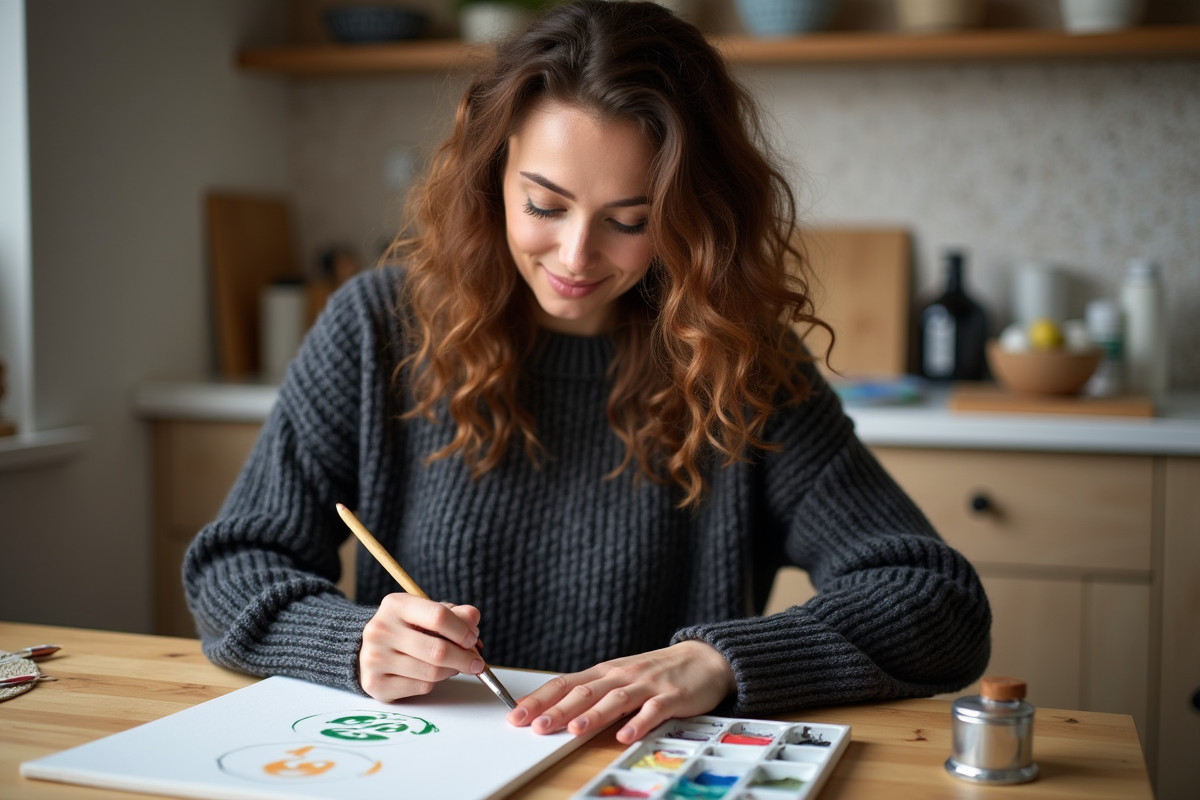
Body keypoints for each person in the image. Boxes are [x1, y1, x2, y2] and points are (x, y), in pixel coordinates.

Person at [185, 0, 990, 747]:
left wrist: (719, 661)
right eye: (544, 205)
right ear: (492, 173)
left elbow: (937, 602)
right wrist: (354, 642)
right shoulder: (376, 327)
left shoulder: (743, 363)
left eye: (629, 221)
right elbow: (232, 567)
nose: (574, 257)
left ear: (688, 218)